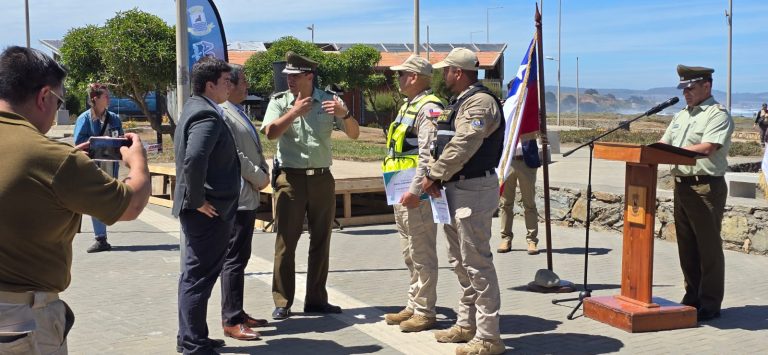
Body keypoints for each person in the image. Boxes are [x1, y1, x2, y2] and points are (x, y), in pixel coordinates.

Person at [0, 46, 149, 354]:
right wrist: (138, 162)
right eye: (58, 101)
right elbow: (132, 204)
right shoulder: (53, 159)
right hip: (20, 323)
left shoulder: (56, 160)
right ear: (43, 97)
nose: (56, 112)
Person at [261, 51, 360, 320]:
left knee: (321, 240)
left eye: (294, 76)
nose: (289, 81)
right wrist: (293, 113)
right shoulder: (280, 102)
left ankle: (316, 300)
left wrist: (346, 113)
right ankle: (282, 300)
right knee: (286, 242)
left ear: (309, 76)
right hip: (290, 179)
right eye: (288, 76)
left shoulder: (329, 101)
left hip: (321, 179)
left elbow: (354, 134)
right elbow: (270, 134)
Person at [420, 48, 506, 355]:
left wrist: (435, 173)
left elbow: (465, 143)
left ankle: (489, 336)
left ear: (458, 72)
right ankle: (467, 324)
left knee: (477, 263)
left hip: (474, 189)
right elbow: (441, 142)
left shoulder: (481, 102)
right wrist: (436, 177)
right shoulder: (459, 103)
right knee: (460, 262)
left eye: (446, 71)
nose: (443, 76)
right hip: (454, 188)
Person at [173, 56, 240, 355]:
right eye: (226, 81)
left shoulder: (195, 107)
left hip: (205, 210)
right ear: (210, 84)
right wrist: (198, 199)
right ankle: (193, 344)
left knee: (194, 276)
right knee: (198, 278)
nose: (231, 86)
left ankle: (191, 335)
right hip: (208, 213)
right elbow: (195, 158)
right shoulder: (206, 115)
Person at [659, 64, 733, 322]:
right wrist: (645, 151)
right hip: (682, 186)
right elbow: (664, 143)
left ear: (706, 86)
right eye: (683, 88)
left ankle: (710, 304)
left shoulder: (717, 114)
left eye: (691, 87)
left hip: (705, 187)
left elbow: (707, 148)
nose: (686, 92)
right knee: (687, 247)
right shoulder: (681, 115)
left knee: (708, 248)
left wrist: (674, 153)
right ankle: (692, 297)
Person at [381, 55, 443, 332]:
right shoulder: (409, 105)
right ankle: (413, 304)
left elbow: (428, 156)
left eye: (402, 74)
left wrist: (416, 190)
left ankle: (425, 311)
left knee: (422, 252)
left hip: (414, 193)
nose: (398, 79)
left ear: (415, 77)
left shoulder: (429, 108)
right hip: (400, 189)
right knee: (409, 252)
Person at [218, 64, 269, 341]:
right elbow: (235, 155)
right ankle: (231, 318)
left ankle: (238, 312)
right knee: (233, 260)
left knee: (241, 257)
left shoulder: (238, 111)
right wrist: (260, 177)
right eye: (243, 83)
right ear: (230, 85)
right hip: (239, 196)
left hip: (248, 194)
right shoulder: (224, 113)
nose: (247, 87)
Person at [73, 83, 125, 253]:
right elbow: (78, 144)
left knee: (106, 201)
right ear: (95, 99)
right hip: (93, 167)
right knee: (96, 200)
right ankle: (100, 238)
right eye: (105, 96)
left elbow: (121, 138)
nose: (109, 98)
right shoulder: (84, 119)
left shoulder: (114, 118)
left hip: (111, 166)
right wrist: (96, 141)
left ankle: (101, 237)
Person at [496, 137, 541, 255]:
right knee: (505, 203)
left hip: (527, 162)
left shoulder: (529, 119)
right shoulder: (507, 118)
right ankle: (506, 239)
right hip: (508, 162)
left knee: (529, 203)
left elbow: (539, 131)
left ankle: (532, 240)